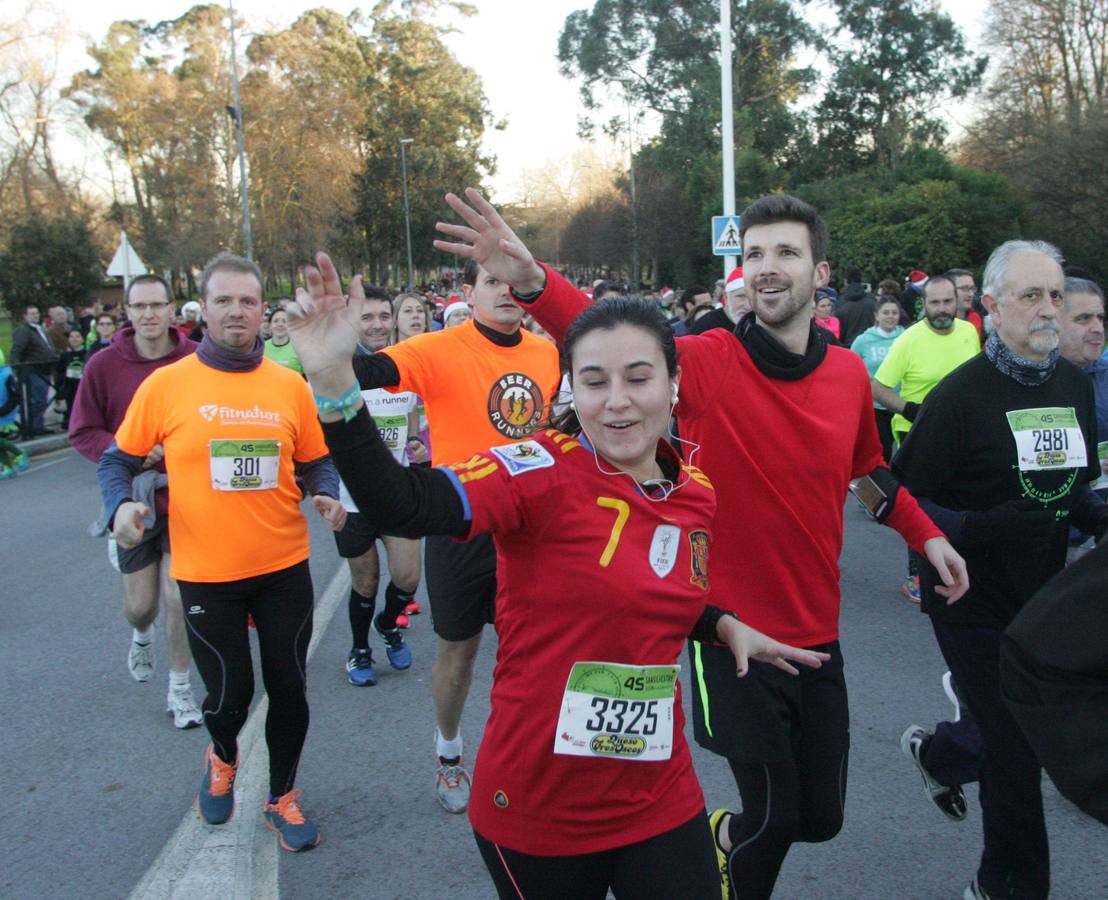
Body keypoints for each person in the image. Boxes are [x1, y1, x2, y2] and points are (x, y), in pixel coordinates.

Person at [432, 188, 968, 900]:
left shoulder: (845, 374)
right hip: (728, 635)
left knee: (822, 820)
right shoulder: (712, 361)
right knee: (773, 822)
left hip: (817, 635)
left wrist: (925, 536)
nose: (767, 268)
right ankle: (719, 865)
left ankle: (719, 836)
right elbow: (615, 343)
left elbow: (866, 473)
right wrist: (532, 281)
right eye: (753, 256)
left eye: (785, 253)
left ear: (821, 272)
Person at [288, 256, 830, 898]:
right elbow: (405, 504)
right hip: (537, 811)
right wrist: (334, 389)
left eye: (638, 377)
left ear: (673, 383)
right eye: (595, 381)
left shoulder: (696, 490)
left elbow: (661, 594)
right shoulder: (538, 470)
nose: (618, 401)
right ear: (572, 388)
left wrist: (720, 624)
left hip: (659, 797)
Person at [96, 253, 346, 852]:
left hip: (283, 567)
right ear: (203, 310)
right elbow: (117, 460)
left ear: (265, 311)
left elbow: (316, 459)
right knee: (229, 695)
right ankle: (224, 756)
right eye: (224, 301)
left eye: (249, 301)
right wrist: (119, 510)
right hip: (207, 575)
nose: (237, 311)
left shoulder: (288, 385)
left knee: (289, 689)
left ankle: (281, 796)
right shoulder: (168, 384)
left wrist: (327, 495)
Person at [893, 240, 1108, 900]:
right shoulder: (960, 398)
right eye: (1030, 296)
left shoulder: (1070, 383)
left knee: (1006, 732)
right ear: (988, 307)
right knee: (1017, 750)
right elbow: (901, 499)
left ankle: (941, 754)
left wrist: (1097, 516)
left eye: (1053, 296)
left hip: (1041, 593)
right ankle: (1005, 886)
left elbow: (1075, 484)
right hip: (966, 595)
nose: (1048, 310)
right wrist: (975, 530)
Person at [346, 254, 561, 814]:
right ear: (470, 291)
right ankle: (449, 752)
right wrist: (337, 346)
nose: (506, 291)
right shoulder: (439, 349)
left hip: (531, 532)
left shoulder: (548, 353)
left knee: (536, 658)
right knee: (458, 657)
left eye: (515, 282)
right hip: (461, 525)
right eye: (492, 282)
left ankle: (529, 761)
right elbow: (367, 374)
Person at [69, 274, 203, 728]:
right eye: (139, 307)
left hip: (187, 499)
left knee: (178, 595)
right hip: (134, 500)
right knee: (141, 606)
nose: (149, 315)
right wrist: (134, 449)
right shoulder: (103, 366)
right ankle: (141, 633)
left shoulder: (196, 359)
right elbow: (82, 432)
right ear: (127, 312)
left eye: (157, 306)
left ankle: (181, 690)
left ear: (172, 309)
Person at [872, 274, 981, 601]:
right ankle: (917, 576)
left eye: (948, 301)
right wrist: (910, 410)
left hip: (963, 432)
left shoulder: (969, 331)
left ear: (959, 302)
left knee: (961, 498)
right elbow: (876, 387)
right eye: (935, 303)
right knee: (918, 503)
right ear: (923, 306)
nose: (943, 309)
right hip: (916, 434)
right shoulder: (909, 339)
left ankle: (960, 566)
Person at [337, 286, 425, 685]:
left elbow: (414, 421)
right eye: (367, 317)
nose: (377, 325)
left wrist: (416, 442)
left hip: (397, 493)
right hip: (351, 500)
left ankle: (388, 624)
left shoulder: (407, 367)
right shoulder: (337, 371)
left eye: (383, 317)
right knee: (366, 580)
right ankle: (359, 650)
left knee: (407, 577)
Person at [850, 296, 905, 463]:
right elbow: (852, 369)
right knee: (883, 450)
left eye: (894, 313)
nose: (890, 316)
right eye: (886, 312)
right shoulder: (863, 340)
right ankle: (885, 485)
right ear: (876, 316)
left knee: (905, 450)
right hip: (876, 406)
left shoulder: (906, 337)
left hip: (902, 403)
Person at [10, 304, 59, 435]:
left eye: (37, 313)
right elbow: (17, 350)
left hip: (44, 370)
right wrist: (17, 369)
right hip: (33, 370)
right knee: (38, 399)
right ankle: (33, 427)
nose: (36, 315)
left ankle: (37, 425)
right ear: (25, 316)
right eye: (32, 313)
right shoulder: (24, 330)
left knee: (42, 398)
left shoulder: (38, 328)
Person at [687, 268, 748, 335]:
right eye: (741, 296)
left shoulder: (759, 323)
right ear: (726, 297)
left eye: (752, 297)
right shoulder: (704, 327)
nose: (748, 305)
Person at [53, 328, 87, 430]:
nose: (74, 339)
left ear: (82, 339)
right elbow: (59, 371)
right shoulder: (65, 355)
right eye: (72, 337)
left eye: (77, 337)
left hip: (83, 387)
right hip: (69, 387)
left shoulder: (87, 353)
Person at [836, 266, 877, 348]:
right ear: (861, 280)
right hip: (871, 347)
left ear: (845, 281)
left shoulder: (840, 303)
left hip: (849, 348)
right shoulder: (873, 300)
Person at [263, 308, 305, 375]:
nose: (280, 324)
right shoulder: (261, 348)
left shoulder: (299, 348)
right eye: (276, 321)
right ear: (270, 325)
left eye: (284, 321)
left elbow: (309, 378)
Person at [949, 268, 985, 344]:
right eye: (964, 288)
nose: (971, 294)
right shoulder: (931, 325)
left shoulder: (982, 321)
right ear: (948, 290)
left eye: (972, 288)